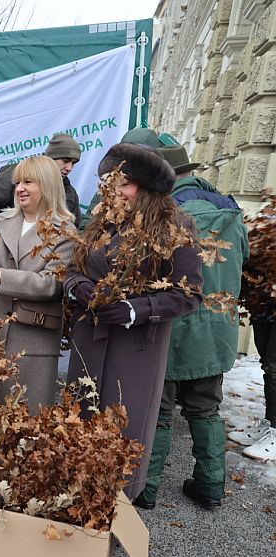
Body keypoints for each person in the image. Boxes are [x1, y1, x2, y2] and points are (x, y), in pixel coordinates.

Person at [65, 143, 204, 501]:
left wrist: (134, 310)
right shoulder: (101, 220)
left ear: (146, 188)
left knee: (120, 433)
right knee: (79, 424)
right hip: (89, 342)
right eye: (108, 182)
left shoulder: (176, 228)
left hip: (134, 352)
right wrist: (77, 285)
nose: (113, 191)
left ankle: (115, 505)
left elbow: (189, 294)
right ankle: (75, 500)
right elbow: (72, 267)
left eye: (122, 184)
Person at [133, 145, 249, 510]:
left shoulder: (164, 214)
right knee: (206, 409)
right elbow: (243, 259)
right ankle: (211, 486)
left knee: (159, 411)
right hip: (217, 329)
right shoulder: (230, 210)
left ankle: (145, 490)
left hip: (172, 327)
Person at [0, 155, 76, 458]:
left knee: (26, 421)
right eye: (18, 182)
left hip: (31, 340)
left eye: (28, 182)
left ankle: (16, 478)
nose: (20, 188)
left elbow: (53, 284)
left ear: (48, 185)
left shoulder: (65, 231)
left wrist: (4, 276)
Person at [230, 212, 276, 462]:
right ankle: (270, 423)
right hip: (266, 305)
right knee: (268, 366)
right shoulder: (269, 217)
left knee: (275, 368)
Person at [0, 133, 82, 225]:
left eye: (73, 163)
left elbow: (75, 226)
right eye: (65, 161)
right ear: (50, 158)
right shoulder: (18, 173)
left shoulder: (70, 193)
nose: (69, 168)